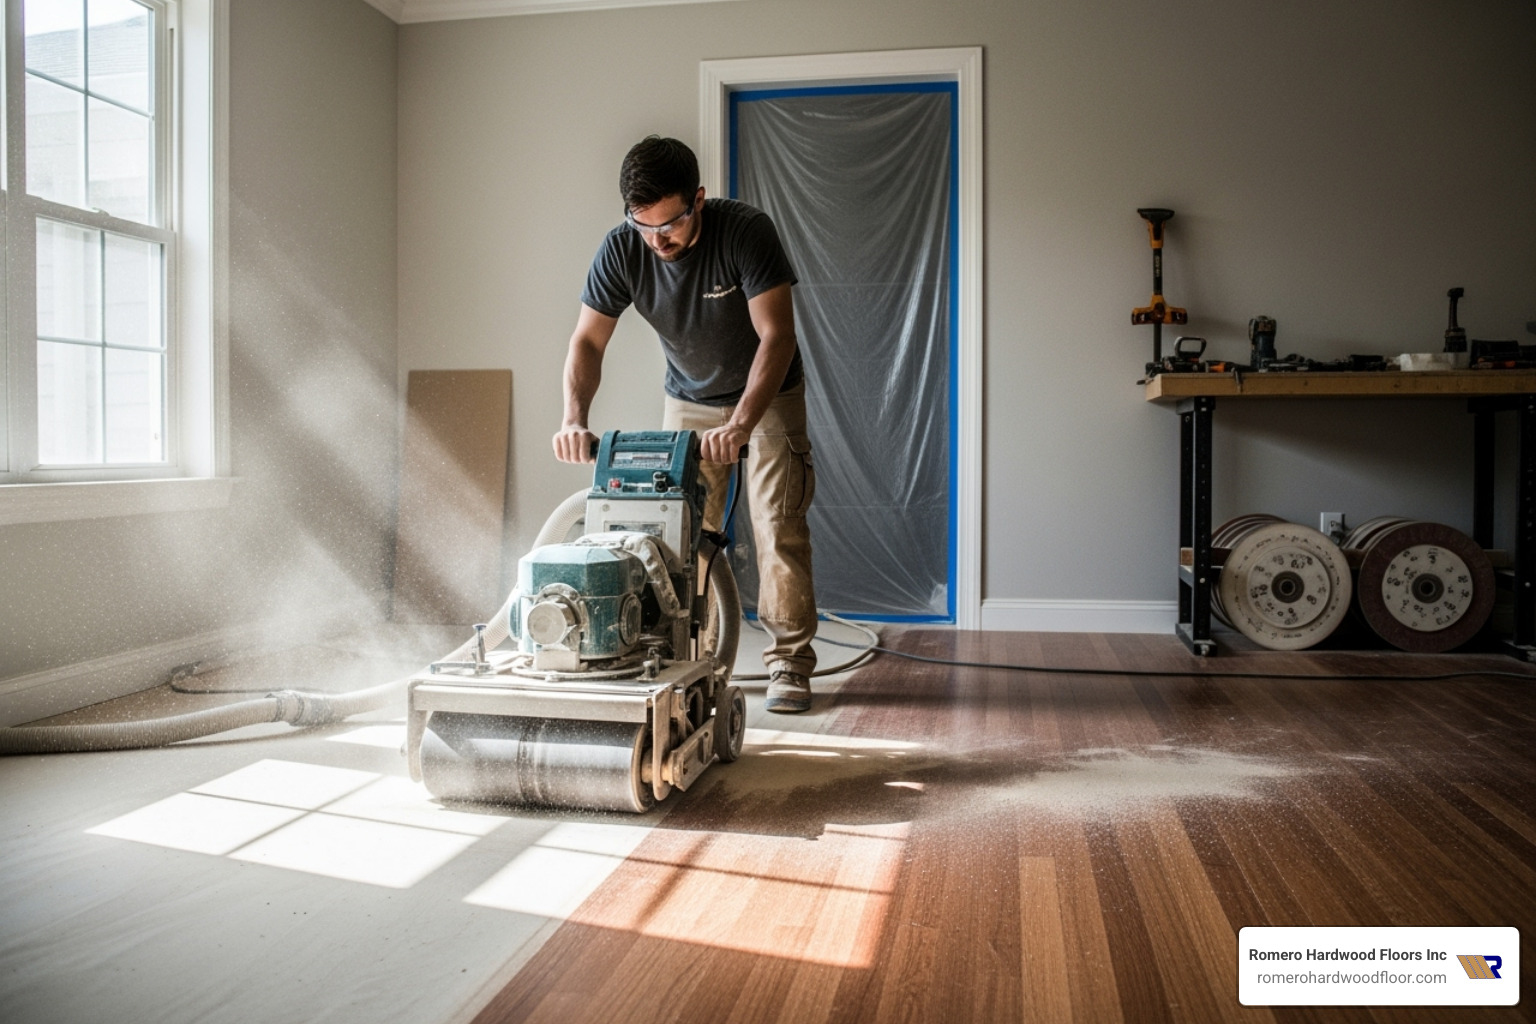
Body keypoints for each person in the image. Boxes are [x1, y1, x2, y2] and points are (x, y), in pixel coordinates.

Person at [552, 136, 818, 714]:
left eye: (670, 224)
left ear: (698, 199)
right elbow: (587, 340)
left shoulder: (746, 232)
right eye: (644, 226)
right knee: (679, 535)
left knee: (777, 524)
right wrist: (574, 419)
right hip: (689, 400)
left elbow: (778, 336)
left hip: (767, 393)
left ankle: (790, 664)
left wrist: (743, 422)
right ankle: (695, 658)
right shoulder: (624, 249)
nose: (658, 240)